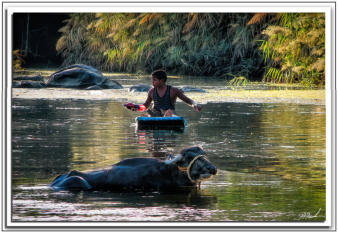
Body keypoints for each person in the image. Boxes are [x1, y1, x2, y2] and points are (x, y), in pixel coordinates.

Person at [125, 70, 202, 117]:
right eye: (152, 80)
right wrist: (135, 107)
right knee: (146, 114)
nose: (152, 82)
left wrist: (194, 104)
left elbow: (188, 100)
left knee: (168, 113)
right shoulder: (151, 91)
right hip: (155, 113)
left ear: (162, 80)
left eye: (154, 80)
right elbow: (145, 106)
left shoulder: (173, 90)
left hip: (169, 113)